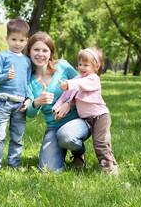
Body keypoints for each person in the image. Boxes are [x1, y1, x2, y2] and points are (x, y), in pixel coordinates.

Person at [25, 31, 90, 172]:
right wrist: (37, 103)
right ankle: (61, 148)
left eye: (44, 50)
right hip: (53, 127)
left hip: (78, 121)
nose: (40, 54)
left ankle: (78, 152)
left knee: (66, 136)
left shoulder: (63, 66)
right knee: (48, 170)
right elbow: (29, 113)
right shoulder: (28, 79)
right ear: (29, 51)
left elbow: (85, 85)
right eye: (36, 49)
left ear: (51, 53)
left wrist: (69, 102)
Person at [53, 46, 118, 174]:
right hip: (87, 120)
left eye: (86, 65)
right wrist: (56, 107)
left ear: (96, 67)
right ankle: (102, 162)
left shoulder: (93, 79)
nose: (81, 68)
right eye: (80, 64)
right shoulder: (76, 80)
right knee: (100, 143)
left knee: (100, 144)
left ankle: (109, 168)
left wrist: (69, 84)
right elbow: (64, 96)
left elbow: (83, 85)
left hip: (100, 117)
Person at [0, 19, 32, 177]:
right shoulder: (2, 56)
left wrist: (28, 98)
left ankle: (13, 164)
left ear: (26, 41)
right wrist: (6, 76)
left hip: (20, 104)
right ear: (7, 39)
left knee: (17, 137)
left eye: (21, 40)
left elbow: (28, 82)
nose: (17, 44)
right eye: (13, 39)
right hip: (4, 102)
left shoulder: (26, 61)